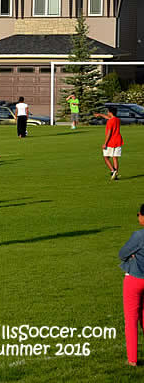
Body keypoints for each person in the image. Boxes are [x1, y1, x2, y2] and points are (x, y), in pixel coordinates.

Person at [119, 204, 144, 366]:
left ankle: (132, 359)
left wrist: (133, 257)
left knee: (131, 320)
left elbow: (122, 254)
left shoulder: (139, 236)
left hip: (135, 280)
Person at [94, 106, 123, 181]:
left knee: (106, 157)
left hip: (111, 141)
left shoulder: (110, 121)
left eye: (108, 112)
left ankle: (113, 171)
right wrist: (100, 114)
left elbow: (109, 133)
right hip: (118, 140)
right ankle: (115, 174)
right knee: (115, 158)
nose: (107, 113)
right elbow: (108, 117)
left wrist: (105, 143)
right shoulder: (117, 120)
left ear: (110, 113)